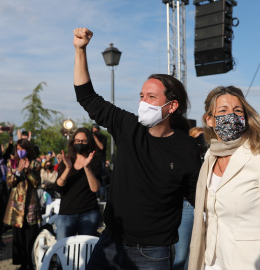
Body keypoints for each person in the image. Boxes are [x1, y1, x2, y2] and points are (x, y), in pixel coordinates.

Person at [73, 27, 201, 269]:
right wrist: (80, 50)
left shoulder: (186, 147)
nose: (143, 102)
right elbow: (87, 97)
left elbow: (198, 197)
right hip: (110, 242)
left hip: (153, 253)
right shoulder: (128, 126)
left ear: (171, 106)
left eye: (151, 97)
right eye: (141, 96)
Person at [188, 86, 260, 270]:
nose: (232, 116)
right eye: (223, 110)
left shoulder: (256, 155)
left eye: (237, 110)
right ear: (209, 120)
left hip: (247, 262)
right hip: (211, 262)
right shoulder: (210, 156)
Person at [54, 127, 102, 242]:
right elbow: (58, 187)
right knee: (63, 251)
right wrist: (68, 168)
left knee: (86, 252)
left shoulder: (95, 161)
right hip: (67, 213)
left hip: (89, 213)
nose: (80, 143)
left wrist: (87, 167)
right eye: (77, 141)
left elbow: (95, 188)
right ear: (72, 142)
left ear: (89, 142)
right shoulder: (66, 161)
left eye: (83, 141)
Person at [3, 139, 41, 270]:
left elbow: (37, 182)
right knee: (18, 235)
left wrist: (28, 170)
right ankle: (22, 263)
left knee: (31, 234)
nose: (20, 151)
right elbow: (9, 182)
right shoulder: (11, 163)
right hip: (16, 204)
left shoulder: (35, 163)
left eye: (23, 148)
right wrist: (18, 171)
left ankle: (32, 263)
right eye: (18, 149)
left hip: (31, 203)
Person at [173, 127, 208, 270]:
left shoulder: (208, 156)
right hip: (187, 205)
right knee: (181, 256)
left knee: (202, 254)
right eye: (197, 139)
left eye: (202, 139)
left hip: (204, 206)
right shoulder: (183, 155)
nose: (200, 142)